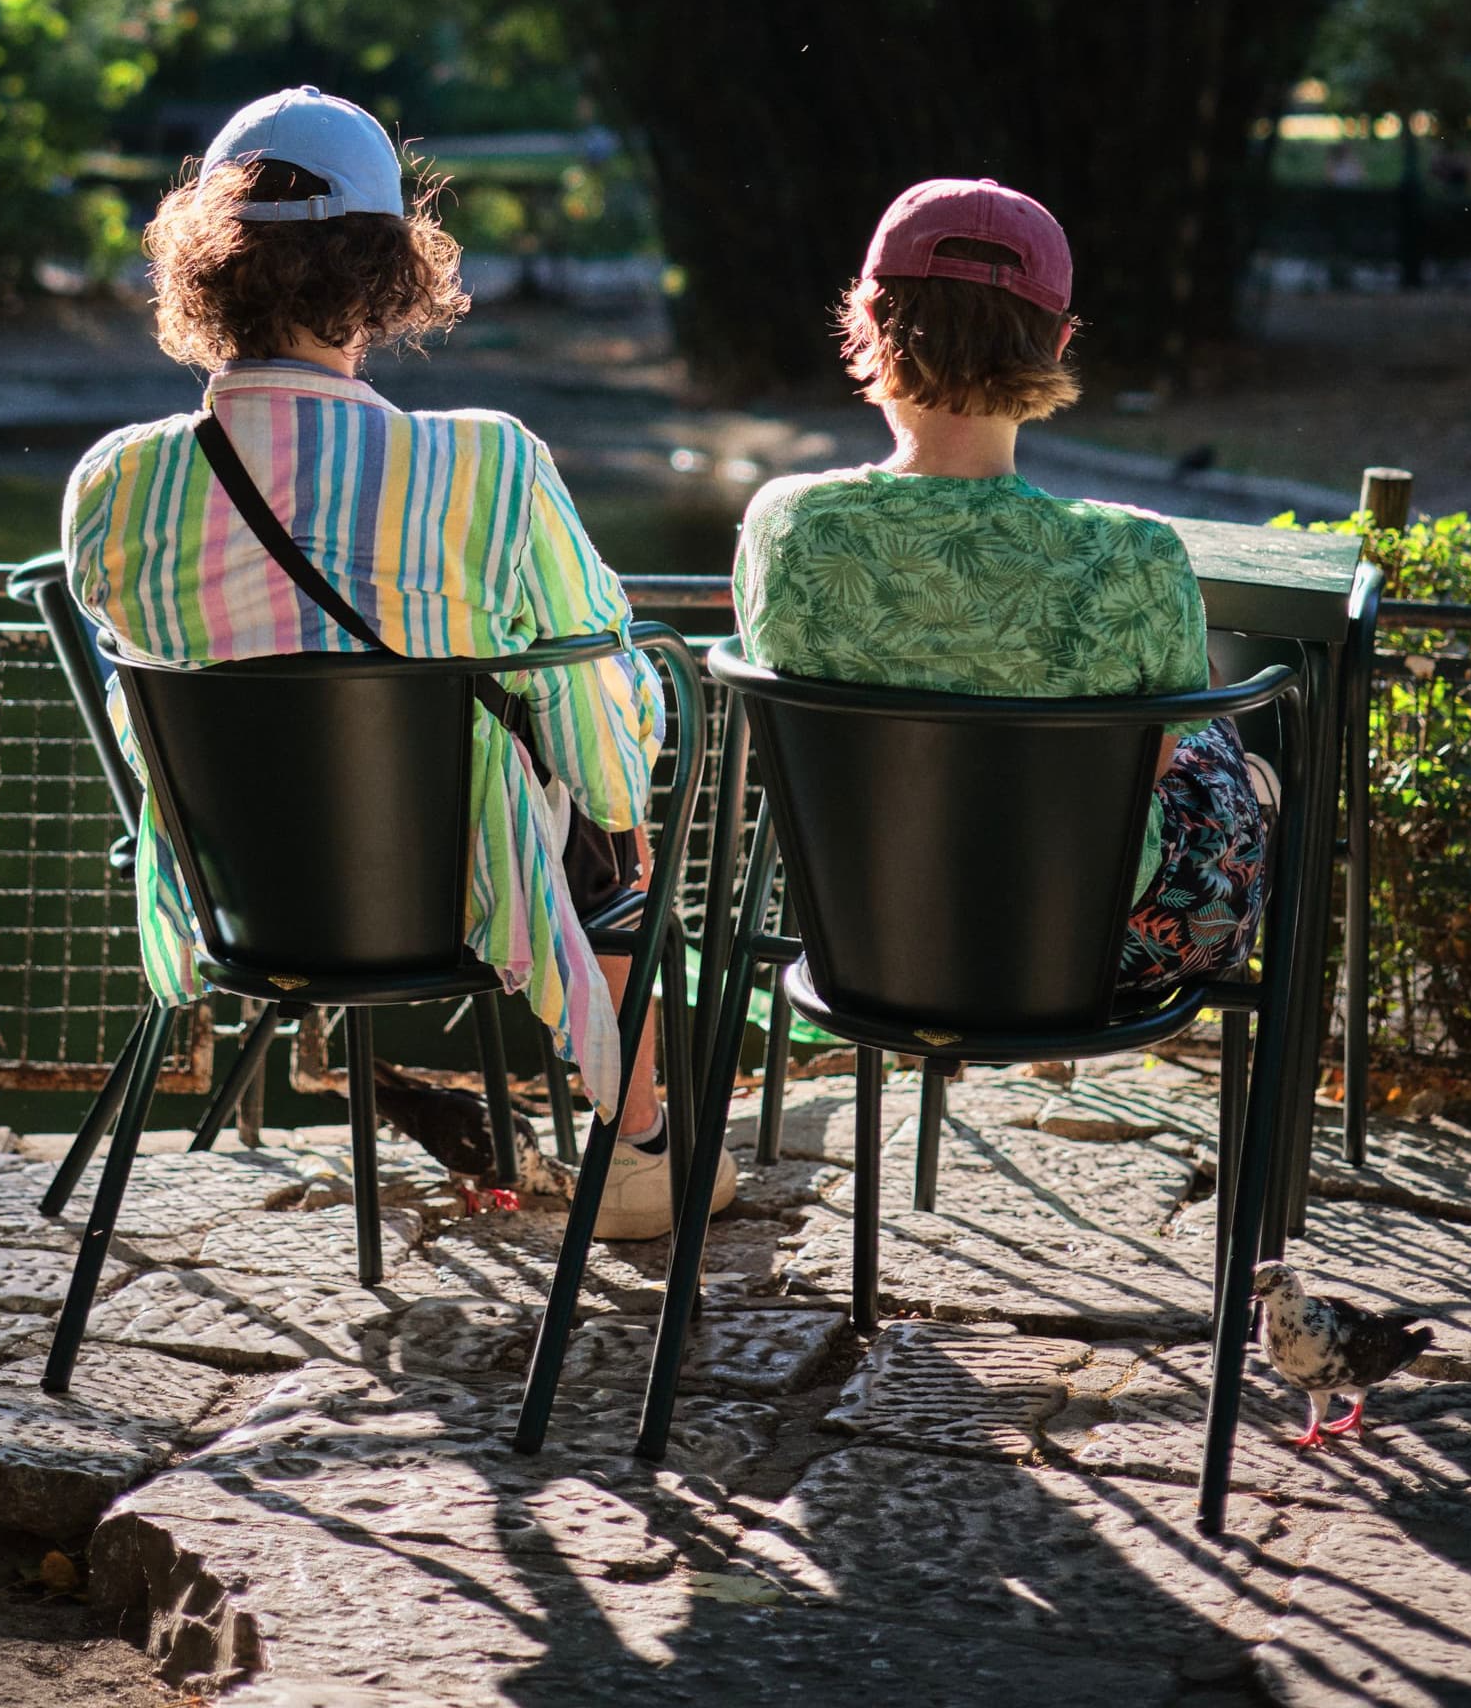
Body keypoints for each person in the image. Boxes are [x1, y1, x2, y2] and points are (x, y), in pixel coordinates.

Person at [64, 83, 734, 1236]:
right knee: (601, 816)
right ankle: (637, 1145)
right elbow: (594, 724)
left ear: (201, 268)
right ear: (384, 269)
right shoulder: (486, 468)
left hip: (240, 900)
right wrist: (612, 796)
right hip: (446, 898)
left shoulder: (113, 481)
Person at [734, 176, 1271, 997]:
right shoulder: (1138, 554)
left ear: (871, 321)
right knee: (1216, 734)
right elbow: (1148, 767)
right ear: (1056, 343)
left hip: (860, 931)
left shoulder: (787, 523)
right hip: (1083, 946)